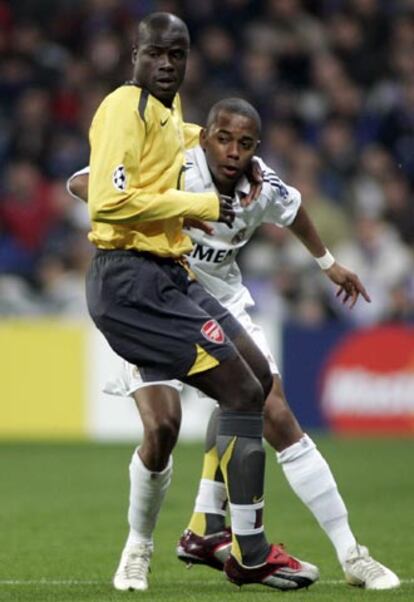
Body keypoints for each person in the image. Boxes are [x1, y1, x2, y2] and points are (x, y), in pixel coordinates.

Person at [70, 95, 399, 592]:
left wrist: (327, 263)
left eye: (244, 144)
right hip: (155, 292)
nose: (232, 151)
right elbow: (82, 182)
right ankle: (140, 545)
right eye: (223, 139)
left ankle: (351, 552)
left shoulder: (263, 185)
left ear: (255, 148)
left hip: (218, 299)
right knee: (161, 429)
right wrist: (166, 208)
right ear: (205, 137)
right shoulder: (175, 164)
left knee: (270, 406)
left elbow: (296, 213)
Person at [83, 11, 319, 594]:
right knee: (185, 416)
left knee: (256, 378)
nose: (166, 64)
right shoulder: (123, 107)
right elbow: (107, 205)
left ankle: (215, 532)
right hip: (130, 282)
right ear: (134, 54)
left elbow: (189, 146)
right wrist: (199, 207)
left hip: (169, 277)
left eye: (177, 55)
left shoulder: (170, 115)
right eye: (156, 53)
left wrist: (240, 158)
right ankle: (236, 550)